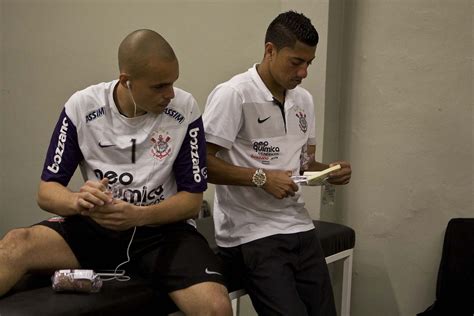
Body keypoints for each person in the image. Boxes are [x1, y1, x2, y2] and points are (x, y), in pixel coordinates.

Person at [0, 29, 233, 315]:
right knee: (14, 245)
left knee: (216, 307)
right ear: (127, 81)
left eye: (173, 83)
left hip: (161, 233)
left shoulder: (184, 109)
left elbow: (192, 201)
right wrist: (78, 201)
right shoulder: (82, 107)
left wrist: (139, 215)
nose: (170, 94)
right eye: (159, 86)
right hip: (97, 227)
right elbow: (47, 191)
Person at [202, 11, 352, 316]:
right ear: (270, 50)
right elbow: (200, 163)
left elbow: (304, 164)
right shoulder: (234, 94)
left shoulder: (304, 101)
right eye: (296, 62)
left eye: (309, 63)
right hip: (250, 232)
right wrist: (262, 178)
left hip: (297, 224)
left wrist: (327, 172)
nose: (304, 72)